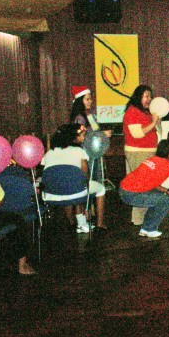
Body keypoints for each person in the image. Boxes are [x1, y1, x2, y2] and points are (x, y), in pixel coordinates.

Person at [119, 140, 169, 238]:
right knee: (165, 200)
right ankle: (148, 229)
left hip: (125, 190)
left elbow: (152, 183)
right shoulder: (165, 165)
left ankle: (146, 228)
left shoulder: (153, 160)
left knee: (163, 197)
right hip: (131, 194)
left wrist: (167, 190)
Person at [42, 123, 105, 232]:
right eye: (83, 135)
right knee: (100, 188)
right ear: (74, 137)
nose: (84, 137)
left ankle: (73, 223)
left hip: (51, 194)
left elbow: (48, 174)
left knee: (67, 185)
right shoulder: (79, 151)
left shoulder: (49, 153)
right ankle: (100, 224)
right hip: (75, 191)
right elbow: (84, 176)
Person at [69, 85, 111, 229]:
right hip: (86, 154)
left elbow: (94, 131)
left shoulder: (91, 115)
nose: (90, 101)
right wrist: (102, 134)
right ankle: (84, 214)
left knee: (96, 182)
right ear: (80, 101)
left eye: (90, 99)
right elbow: (83, 136)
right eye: (87, 99)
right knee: (87, 182)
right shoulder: (79, 118)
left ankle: (92, 212)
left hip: (94, 153)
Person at [122, 85, 161, 226]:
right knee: (142, 184)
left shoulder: (146, 112)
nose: (149, 99)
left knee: (146, 184)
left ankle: (140, 218)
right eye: (146, 96)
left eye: (150, 96)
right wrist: (153, 122)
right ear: (139, 97)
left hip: (148, 151)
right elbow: (137, 134)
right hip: (137, 152)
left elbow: (155, 130)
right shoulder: (132, 111)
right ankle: (140, 219)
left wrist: (157, 122)